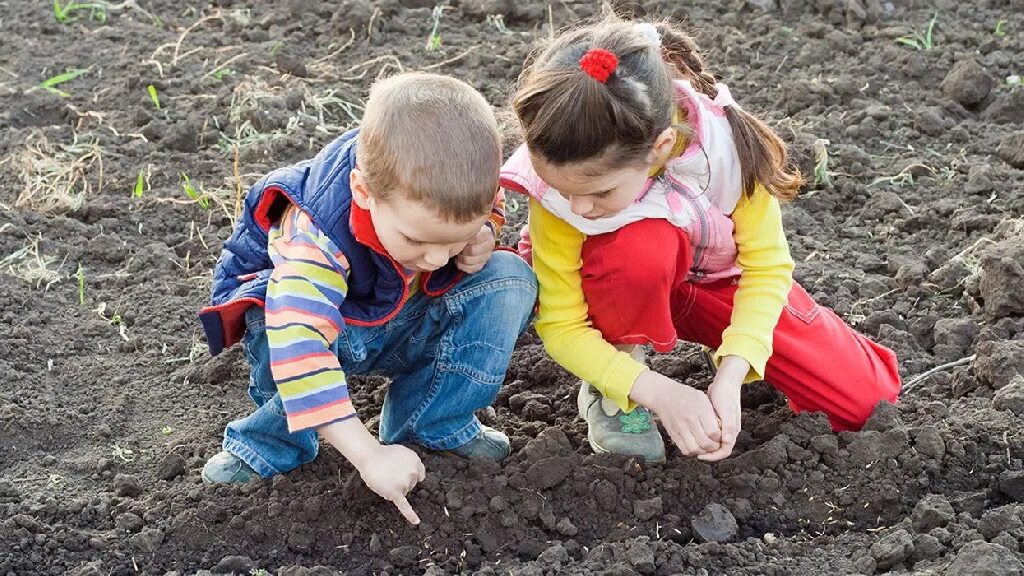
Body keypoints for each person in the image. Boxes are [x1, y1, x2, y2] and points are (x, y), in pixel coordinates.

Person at [500, 17, 901, 464]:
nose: (576, 208)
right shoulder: (567, 169)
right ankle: (616, 387)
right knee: (640, 249)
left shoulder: (728, 151)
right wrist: (659, 392)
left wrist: (732, 373)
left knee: (867, 402)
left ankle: (721, 347)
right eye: (564, 191)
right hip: (620, 287)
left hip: (717, 282)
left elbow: (766, 269)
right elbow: (562, 324)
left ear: (660, 146)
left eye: (597, 193)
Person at [197, 72, 537, 524]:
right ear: (364, 192)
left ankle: (429, 422)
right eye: (418, 240)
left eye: (451, 240)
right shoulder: (316, 236)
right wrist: (369, 455)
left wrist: (484, 235)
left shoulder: (455, 186)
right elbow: (302, 345)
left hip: (406, 314)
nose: (436, 258)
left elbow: (488, 210)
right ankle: (272, 444)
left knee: (510, 276)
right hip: (323, 330)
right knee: (274, 315)